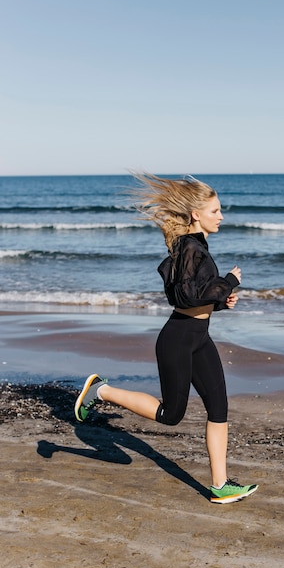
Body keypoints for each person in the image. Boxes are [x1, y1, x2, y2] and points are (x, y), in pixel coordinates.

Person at [74, 172, 258, 504]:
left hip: (199, 338)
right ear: (196, 214)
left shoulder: (197, 246)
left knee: (219, 408)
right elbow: (185, 298)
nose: (222, 216)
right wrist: (228, 282)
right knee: (170, 415)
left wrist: (221, 302)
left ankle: (220, 486)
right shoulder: (190, 246)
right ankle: (100, 390)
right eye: (215, 211)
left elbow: (196, 296)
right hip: (177, 339)